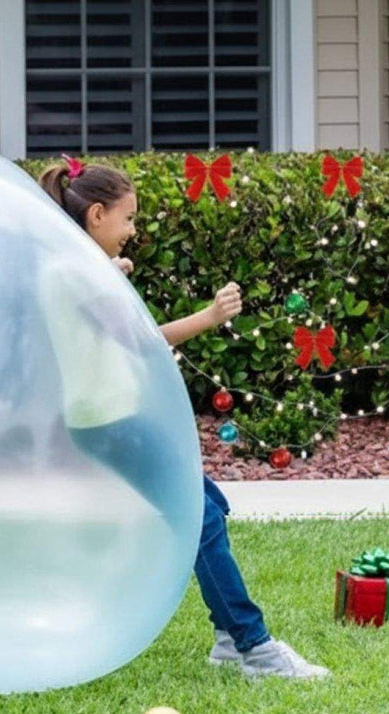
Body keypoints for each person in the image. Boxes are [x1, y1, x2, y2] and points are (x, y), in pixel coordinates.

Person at [38, 156, 329, 679]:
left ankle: (227, 637)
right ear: (97, 215)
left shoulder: (77, 266)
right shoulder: (72, 272)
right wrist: (211, 316)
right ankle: (253, 645)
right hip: (108, 421)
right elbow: (139, 340)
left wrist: (112, 271)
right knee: (201, 517)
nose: (133, 231)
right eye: (128, 219)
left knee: (207, 502)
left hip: (113, 415)